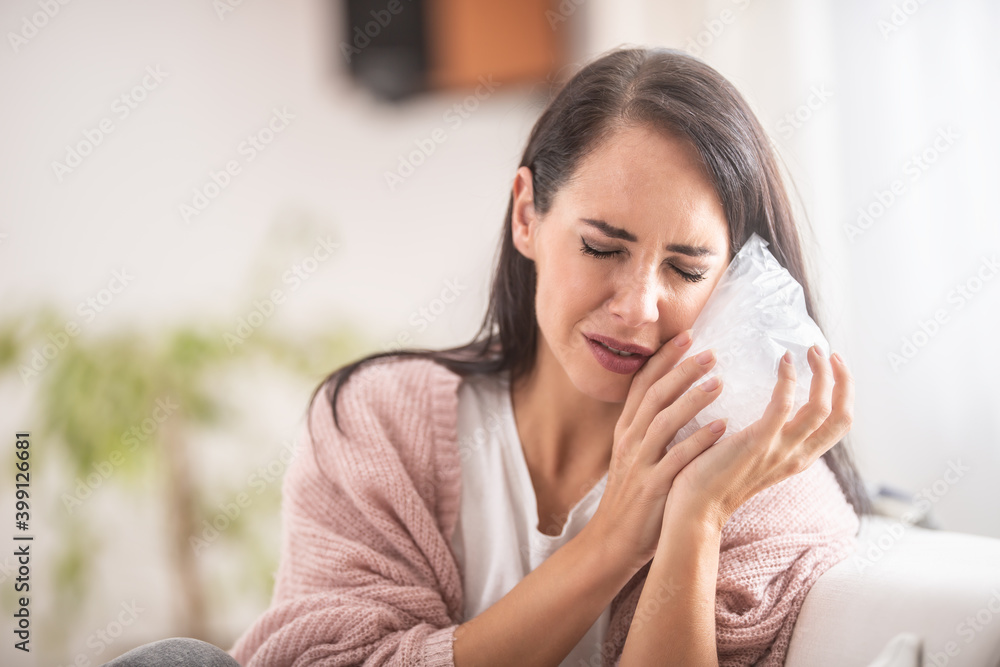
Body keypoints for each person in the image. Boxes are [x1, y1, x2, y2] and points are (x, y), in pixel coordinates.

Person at [108, 46, 869, 666]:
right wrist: (610, 544)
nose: (639, 305)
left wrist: (694, 520)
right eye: (603, 246)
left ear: (738, 281)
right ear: (526, 215)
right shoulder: (380, 422)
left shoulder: (760, 486)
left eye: (686, 269)